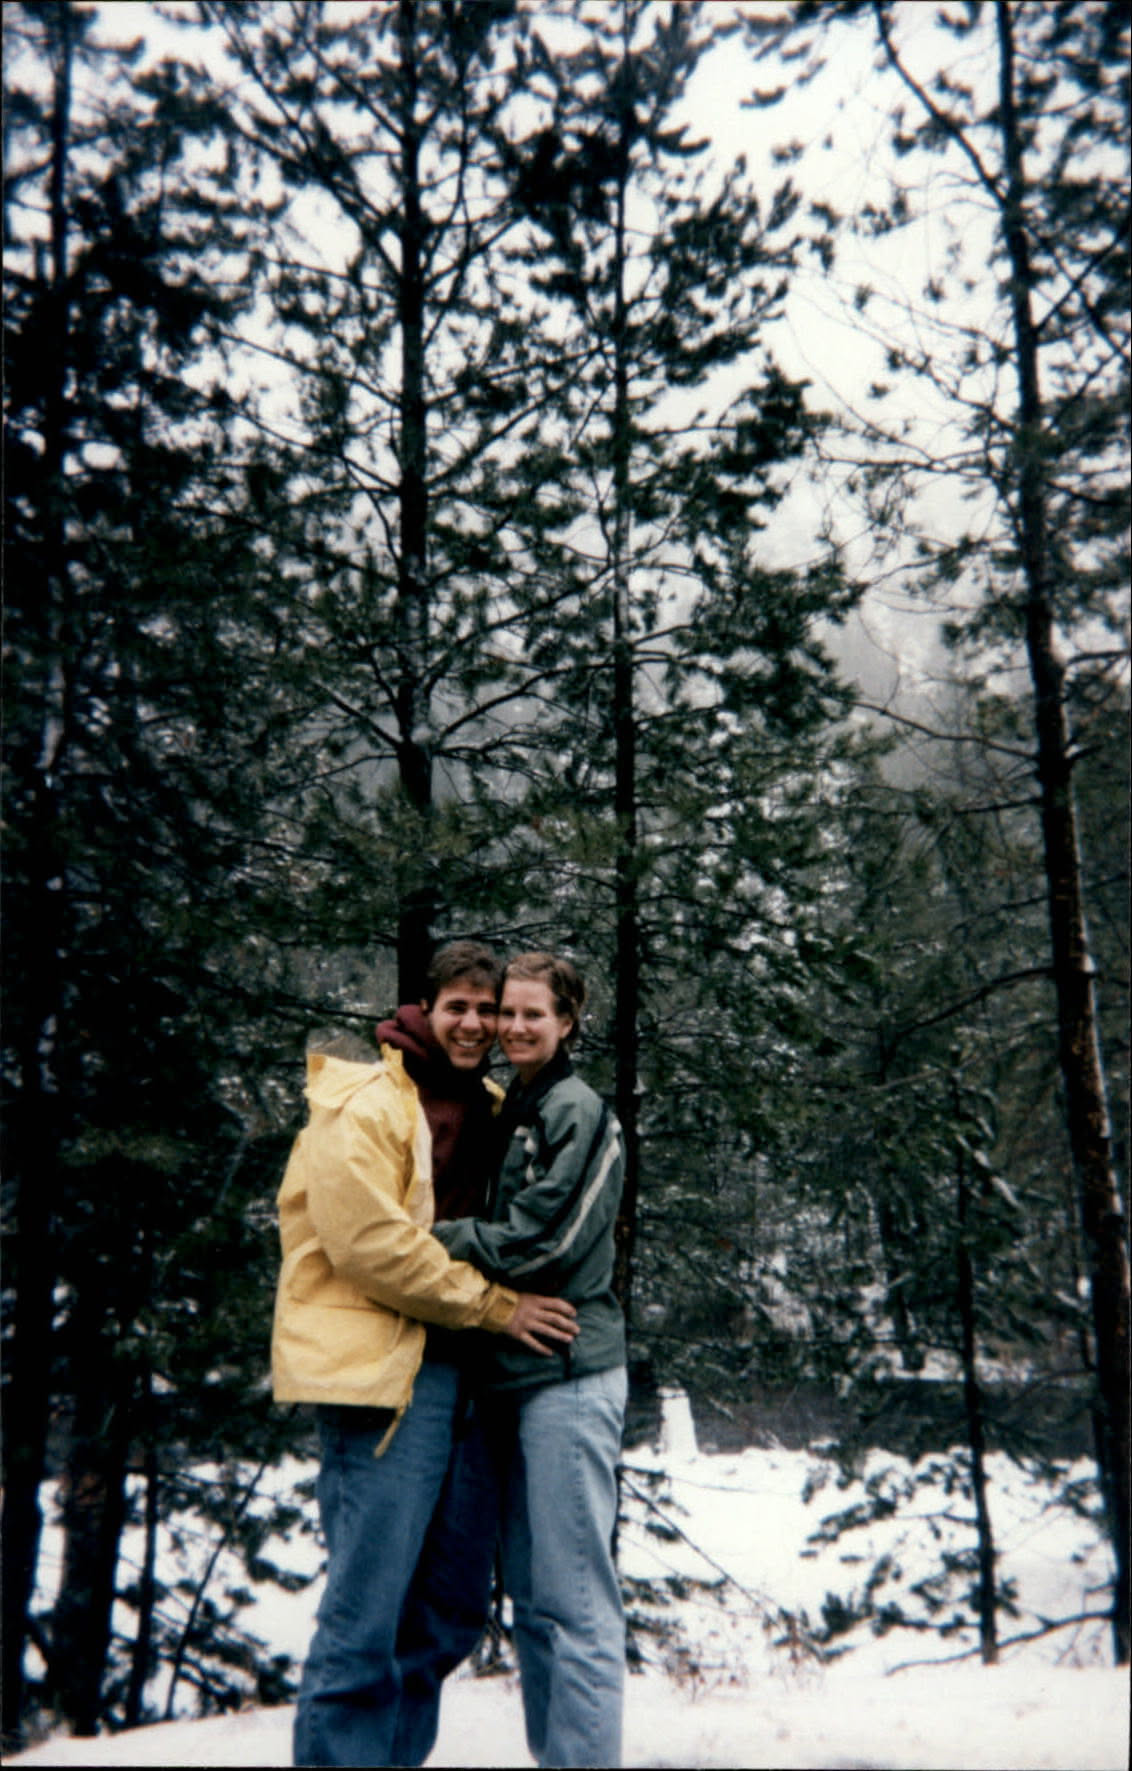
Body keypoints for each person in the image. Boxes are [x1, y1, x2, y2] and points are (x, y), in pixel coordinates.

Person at [271, 940, 578, 1768]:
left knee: (446, 1612)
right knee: (365, 1618)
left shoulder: (491, 1106)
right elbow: (371, 1244)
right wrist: (499, 1308)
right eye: (459, 1007)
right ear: (423, 1008)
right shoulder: (364, 1102)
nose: (475, 1023)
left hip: (471, 1377)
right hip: (384, 1380)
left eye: (489, 1008)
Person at [433, 951, 628, 1769]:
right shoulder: (513, 1102)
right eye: (505, 1012)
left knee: (576, 1600)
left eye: (532, 1015)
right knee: (537, 1604)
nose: (512, 1027)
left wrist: (434, 1240)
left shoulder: (578, 1108)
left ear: (567, 1021)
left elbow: (546, 1239)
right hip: (509, 1379)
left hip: (568, 1375)